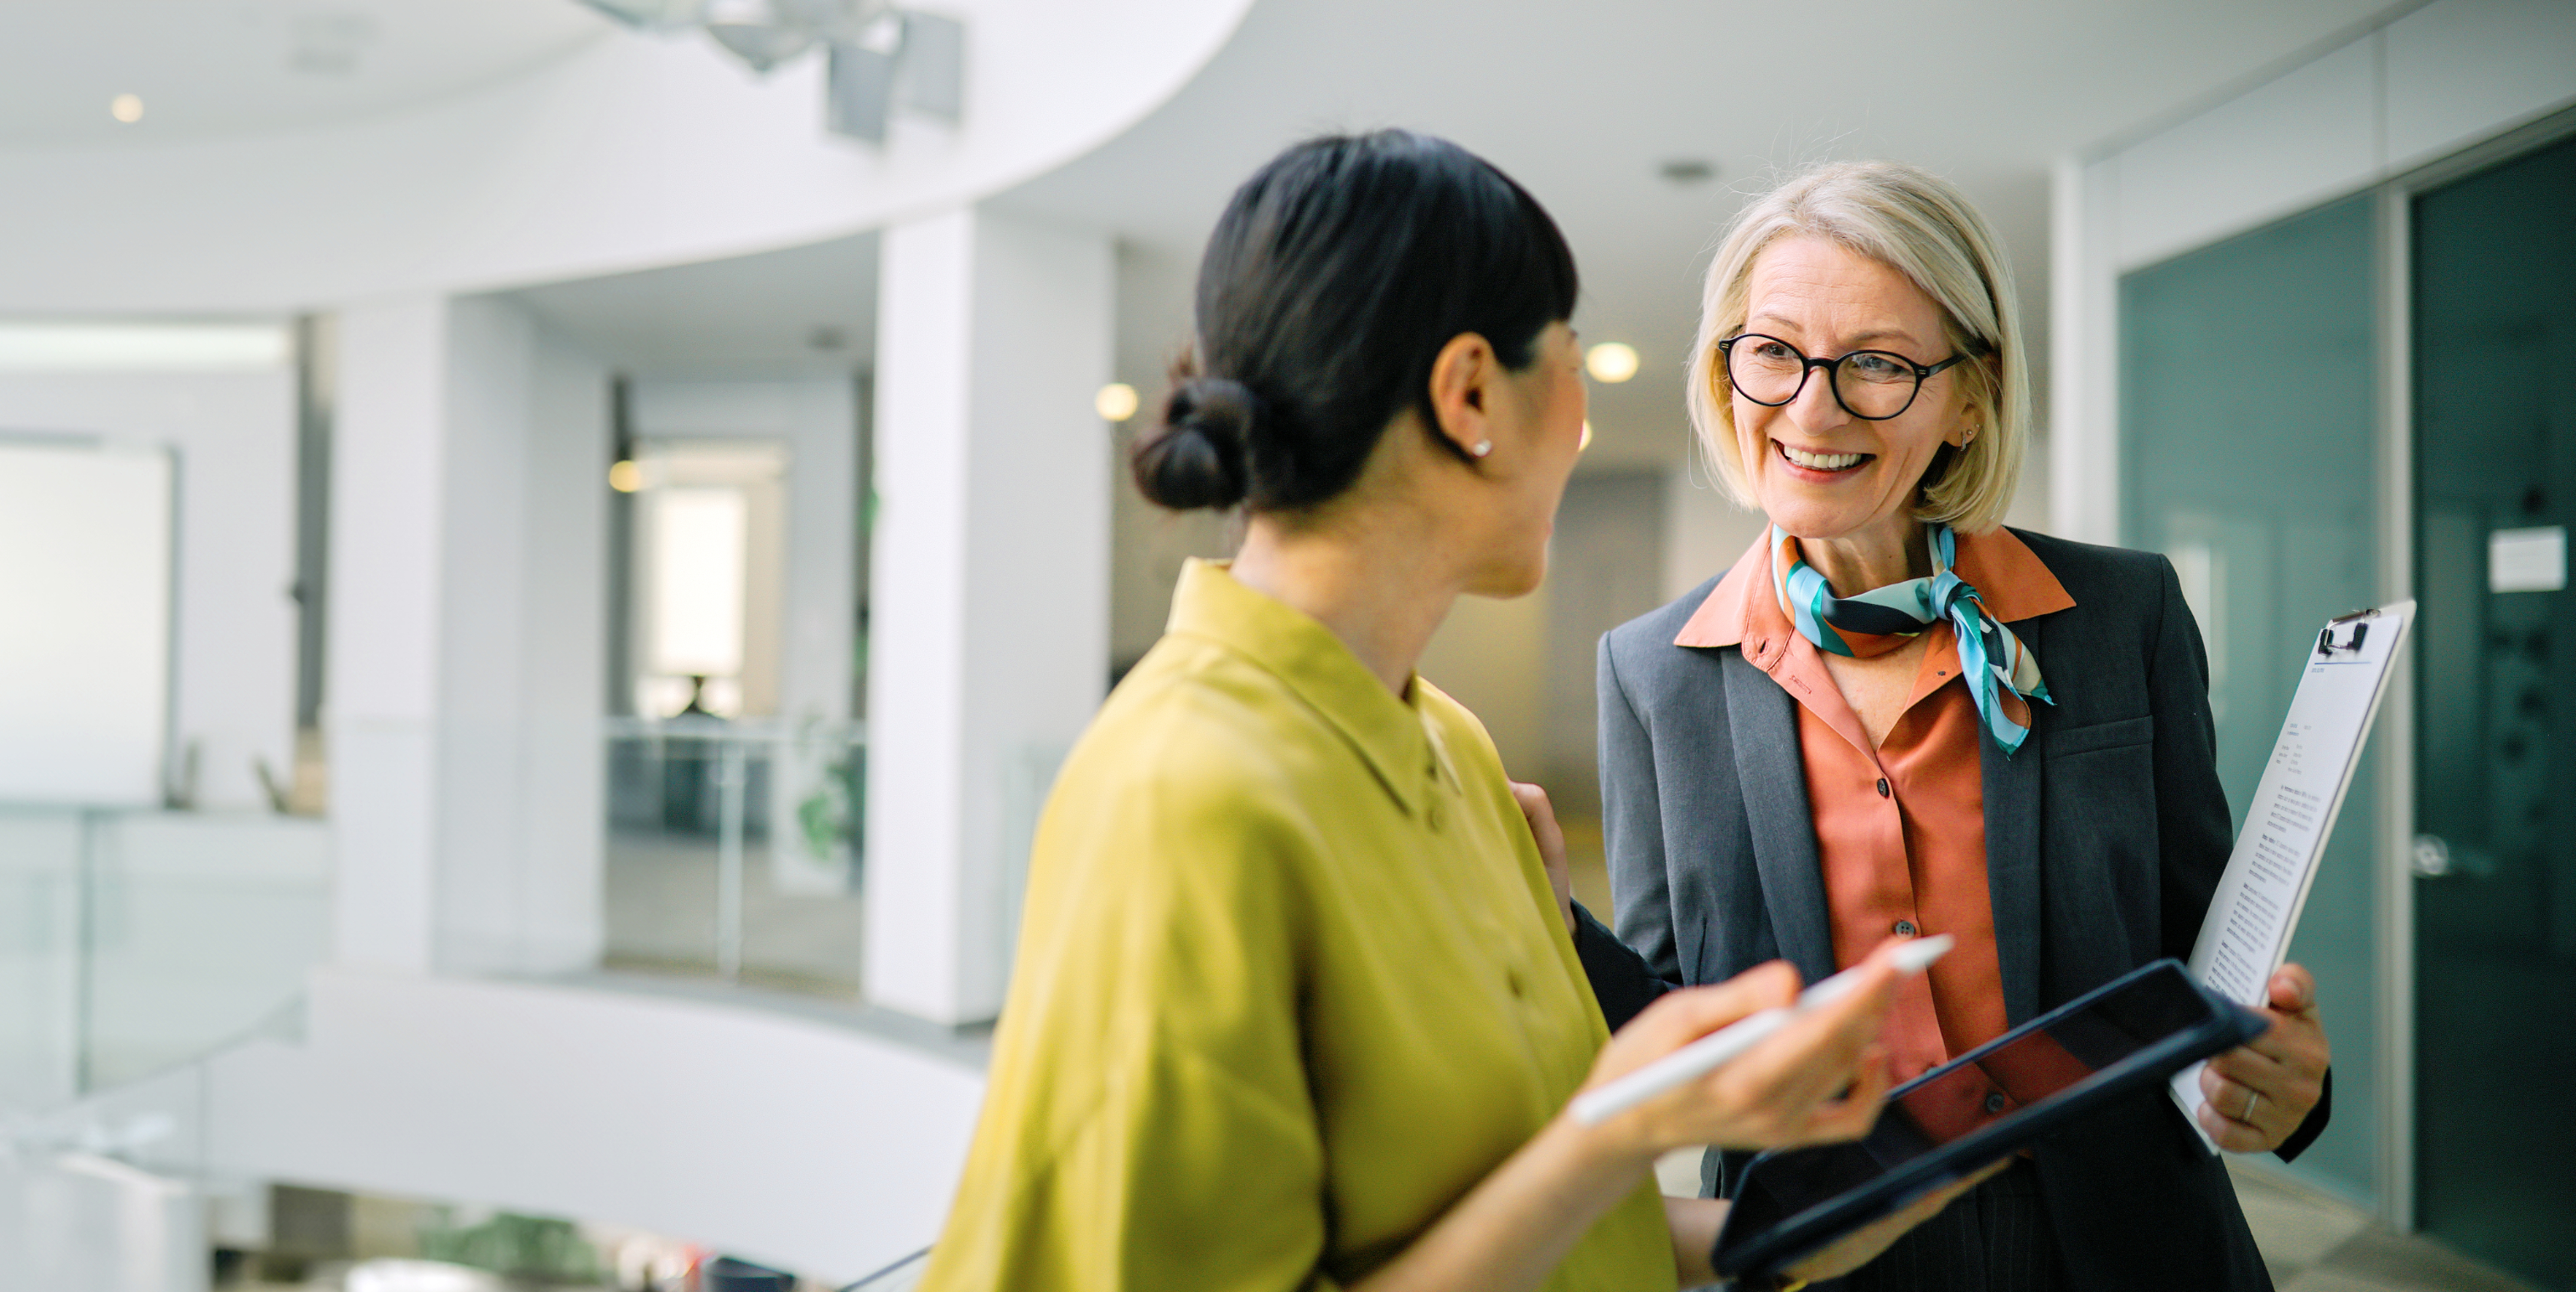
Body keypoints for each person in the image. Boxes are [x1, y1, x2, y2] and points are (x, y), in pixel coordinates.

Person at [921, 131, 1962, 1292]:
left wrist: (1790, 1238)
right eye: (1569, 359)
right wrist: (1616, 1128)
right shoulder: (1176, 796)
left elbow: (1530, 1224)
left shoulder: (1455, 750)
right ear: (1471, 392)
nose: (1578, 418)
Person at [1592, 161, 2334, 1292]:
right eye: (1774, 351)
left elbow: (2209, 952)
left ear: (1973, 394)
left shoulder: (2118, 618)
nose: (1812, 407)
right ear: (1725, 365)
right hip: (1827, 1243)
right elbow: (1671, 1015)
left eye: (1879, 363)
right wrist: (1535, 929)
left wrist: (2284, 1077)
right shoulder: (1654, 671)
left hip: (2125, 1237)